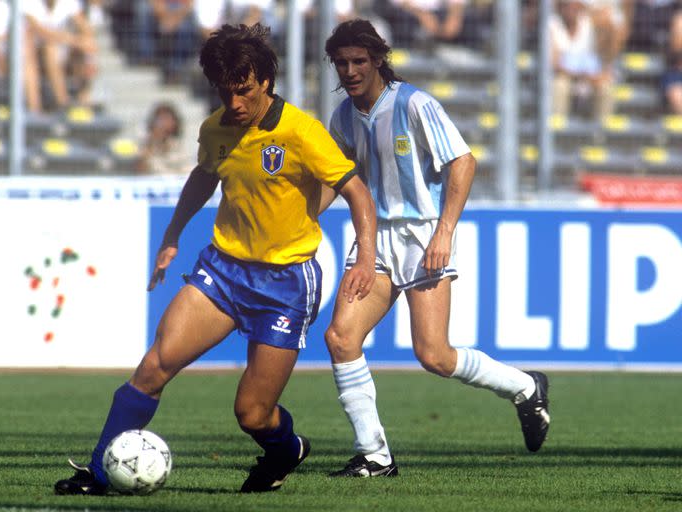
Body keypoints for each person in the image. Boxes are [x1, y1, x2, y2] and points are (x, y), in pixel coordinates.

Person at [53, 22, 377, 495]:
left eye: (244, 91)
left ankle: (286, 448)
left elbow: (357, 194)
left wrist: (365, 258)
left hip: (287, 283)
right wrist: (172, 235)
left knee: (252, 413)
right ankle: (99, 474)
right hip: (223, 270)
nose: (236, 103)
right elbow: (204, 177)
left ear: (266, 81)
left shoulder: (301, 131)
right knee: (152, 369)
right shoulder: (216, 129)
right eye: (226, 93)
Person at [320, 19, 550, 477]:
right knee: (341, 338)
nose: (349, 71)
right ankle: (374, 454)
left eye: (359, 61)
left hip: (423, 234)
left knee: (434, 355)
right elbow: (338, 181)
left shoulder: (415, 103)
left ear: (379, 59)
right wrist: (299, 214)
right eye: (341, 63)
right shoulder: (343, 116)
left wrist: (444, 232)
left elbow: (463, 161)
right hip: (376, 238)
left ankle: (524, 386)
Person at [550, 0, 614, 120]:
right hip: (565, 76)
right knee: (560, 85)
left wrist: (594, 75)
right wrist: (580, 75)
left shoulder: (588, 24)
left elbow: (602, 53)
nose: (570, 9)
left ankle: (600, 135)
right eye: (566, 5)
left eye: (574, 5)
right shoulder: (553, 24)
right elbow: (555, 63)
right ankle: (556, 133)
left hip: (588, 76)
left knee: (605, 87)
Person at [136, 101, 190, 174]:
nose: (164, 123)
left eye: (168, 119)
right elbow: (141, 170)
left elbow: (185, 170)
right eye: (161, 119)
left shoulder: (177, 146)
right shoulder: (145, 145)